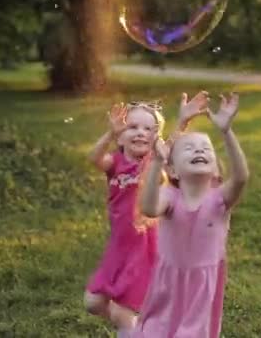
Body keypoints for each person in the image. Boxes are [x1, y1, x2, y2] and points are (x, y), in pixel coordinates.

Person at [85, 92, 209, 337]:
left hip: (145, 247)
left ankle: (134, 329)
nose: (141, 132)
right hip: (119, 248)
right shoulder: (116, 163)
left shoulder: (155, 161)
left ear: (156, 136)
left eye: (148, 128)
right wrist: (109, 133)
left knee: (123, 315)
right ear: (121, 134)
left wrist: (182, 122)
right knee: (93, 303)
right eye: (132, 127)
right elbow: (94, 158)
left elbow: (172, 145)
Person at [131, 93, 249, 338]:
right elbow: (149, 208)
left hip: (202, 287)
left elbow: (241, 177)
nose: (200, 151)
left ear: (216, 169)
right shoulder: (169, 197)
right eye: (189, 148)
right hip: (168, 283)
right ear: (172, 170)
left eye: (206, 148)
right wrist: (156, 165)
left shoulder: (219, 200)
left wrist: (226, 132)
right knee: (155, 331)